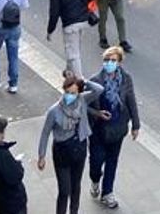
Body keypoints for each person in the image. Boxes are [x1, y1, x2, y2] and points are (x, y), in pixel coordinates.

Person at [36, 72, 105, 214]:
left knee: (76, 185)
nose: (70, 95)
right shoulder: (54, 111)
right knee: (64, 189)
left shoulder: (82, 100)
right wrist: (41, 156)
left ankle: (74, 211)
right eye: (67, 92)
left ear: (79, 92)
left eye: (73, 93)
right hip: (62, 151)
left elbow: (99, 89)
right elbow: (45, 133)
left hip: (79, 147)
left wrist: (84, 81)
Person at [86, 46, 140, 210]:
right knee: (96, 161)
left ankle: (107, 192)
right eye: (106, 60)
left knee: (112, 161)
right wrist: (97, 113)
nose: (109, 63)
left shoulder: (126, 79)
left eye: (113, 60)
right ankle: (95, 180)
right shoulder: (95, 80)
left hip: (117, 127)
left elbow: (131, 100)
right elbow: (84, 106)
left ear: (119, 62)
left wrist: (136, 125)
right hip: (98, 130)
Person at [47, 0, 96, 78]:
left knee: (73, 53)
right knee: (75, 46)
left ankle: (79, 79)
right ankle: (69, 70)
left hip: (70, 25)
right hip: (85, 21)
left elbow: (54, 14)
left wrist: (50, 31)